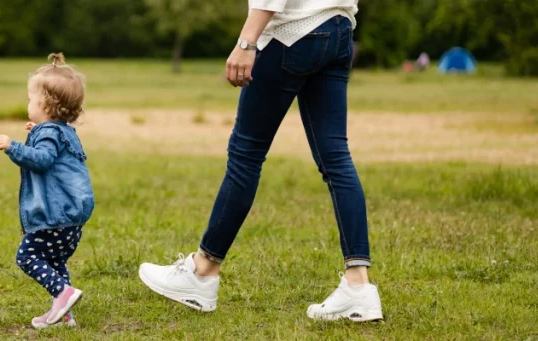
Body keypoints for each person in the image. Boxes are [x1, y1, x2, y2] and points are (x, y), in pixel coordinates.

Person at [137, 0, 384, 322]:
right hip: (337, 29)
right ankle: (359, 287)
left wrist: (246, 41)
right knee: (336, 158)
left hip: (292, 34)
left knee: (246, 156)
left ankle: (202, 272)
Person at [0, 53, 94, 328]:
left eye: (30, 99)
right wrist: (36, 131)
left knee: (26, 256)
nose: (28, 104)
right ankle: (66, 315)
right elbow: (50, 148)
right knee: (55, 261)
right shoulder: (60, 130)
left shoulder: (49, 133)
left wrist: (13, 146)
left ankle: (63, 294)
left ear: (47, 105)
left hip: (54, 219)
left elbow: (42, 160)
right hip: (69, 221)